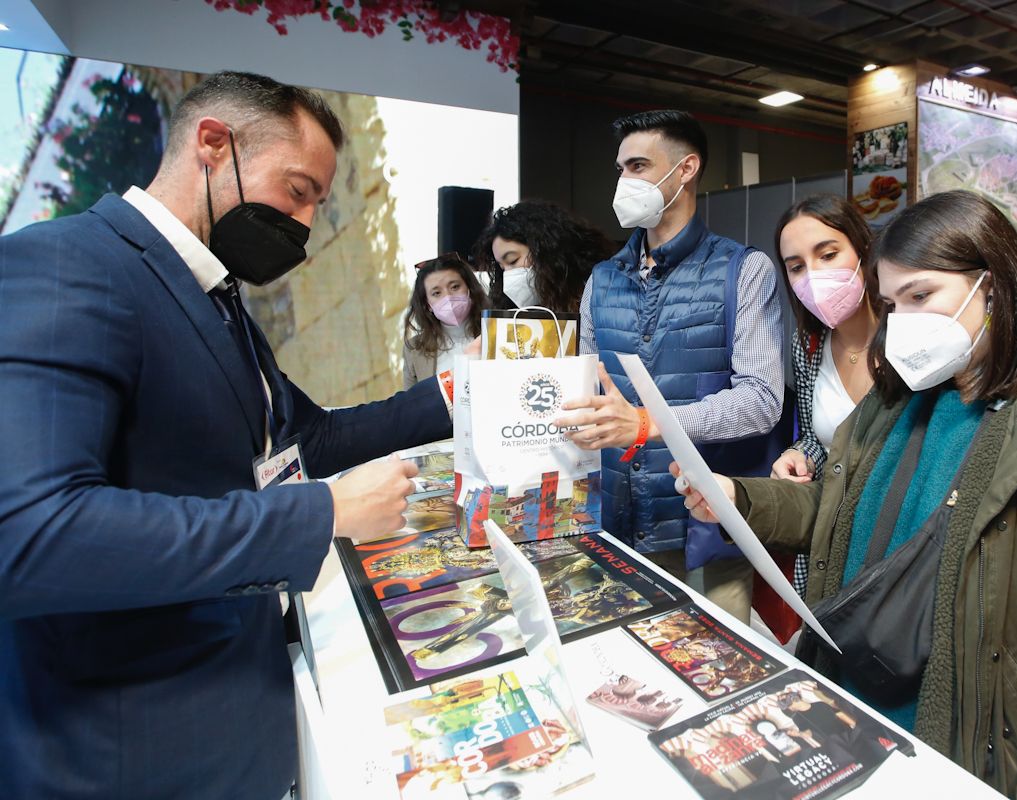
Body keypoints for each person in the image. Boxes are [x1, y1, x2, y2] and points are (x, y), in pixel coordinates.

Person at [0, 71, 452, 800]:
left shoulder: (219, 302)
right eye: (297, 191)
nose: (303, 226)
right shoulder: (65, 265)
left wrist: (455, 398)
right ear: (213, 144)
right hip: (131, 751)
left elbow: (310, 440)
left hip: (241, 713)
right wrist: (321, 514)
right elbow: (28, 534)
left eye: (317, 204)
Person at [674, 189, 1017, 798]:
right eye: (892, 303)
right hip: (856, 725)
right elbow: (839, 512)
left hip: (970, 753)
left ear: (994, 285)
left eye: (922, 295)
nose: (902, 321)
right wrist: (742, 498)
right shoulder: (897, 404)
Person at [555, 109, 787, 623]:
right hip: (615, 516)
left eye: (638, 166)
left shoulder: (742, 270)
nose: (624, 181)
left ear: (685, 169)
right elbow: (591, 391)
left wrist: (648, 423)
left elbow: (761, 400)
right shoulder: (602, 279)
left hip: (702, 523)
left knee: (716, 670)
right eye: (620, 168)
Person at [769, 194, 879, 603]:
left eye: (828, 254)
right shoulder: (807, 345)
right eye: (797, 267)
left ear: (863, 249)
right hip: (830, 546)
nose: (813, 276)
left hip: (895, 544)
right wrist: (798, 456)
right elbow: (820, 435)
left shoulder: (910, 339)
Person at [474, 198, 613, 312]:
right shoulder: (522, 312)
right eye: (502, 268)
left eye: (512, 260)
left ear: (548, 250)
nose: (508, 276)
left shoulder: (599, 295)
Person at [402, 252, 488, 388]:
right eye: (436, 293)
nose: (448, 297)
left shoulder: (499, 333)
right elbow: (412, 404)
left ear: (470, 289)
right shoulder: (414, 348)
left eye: (455, 287)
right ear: (427, 304)